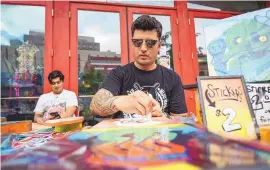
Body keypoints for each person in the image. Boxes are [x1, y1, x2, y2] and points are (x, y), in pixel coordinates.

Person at [90, 15, 187, 119]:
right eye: (137, 42)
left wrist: (163, 116)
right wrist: (121, 101)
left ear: (159, 46)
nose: (143, 48)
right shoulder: (118, 74)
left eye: (150, 43)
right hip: (124, 134)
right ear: (132, 44)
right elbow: (95, 106)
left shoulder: (172, 78)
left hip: (160, 134)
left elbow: (182, 120)